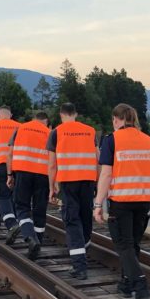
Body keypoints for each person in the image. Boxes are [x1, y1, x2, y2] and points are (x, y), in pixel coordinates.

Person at [94, 104, 150, 299]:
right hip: (142, 202)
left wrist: (98, 204)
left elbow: (106, 174)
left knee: (124, 246)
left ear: (116, 120)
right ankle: (126, 283)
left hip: (121, 202)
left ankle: (141, 291)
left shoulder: (112, 140)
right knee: (132, 245)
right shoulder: (148, 141)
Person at [48, 103, 98, 280]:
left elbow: (52, 164)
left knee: (71, 220)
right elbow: (97, 157)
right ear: (75, 114)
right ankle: (83, 248)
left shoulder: (56, 132)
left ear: (61, 114)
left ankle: (79, 266)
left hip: (68, 181)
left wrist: (51, 187)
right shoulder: (90, 131)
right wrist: (96, 182)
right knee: (85, 217)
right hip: (88, 180)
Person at [7, 111, 51, 259]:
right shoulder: (49, 132)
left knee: (21, 206)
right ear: (45, 121)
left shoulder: (20, 128)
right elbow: (53, 158)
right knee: (40, 209)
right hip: (43, 174)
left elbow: (10, 153)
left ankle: (30, 238)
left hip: (23, 172)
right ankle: (37, 242)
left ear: (33, 119)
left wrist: (9, 174)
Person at [0, 106, 21, 241]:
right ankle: (19, 222)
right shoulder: (20, 126)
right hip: (18, 165)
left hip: (1, 164)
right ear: (11, 114)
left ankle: (11, 224)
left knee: (2, 195)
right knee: (15, 195)